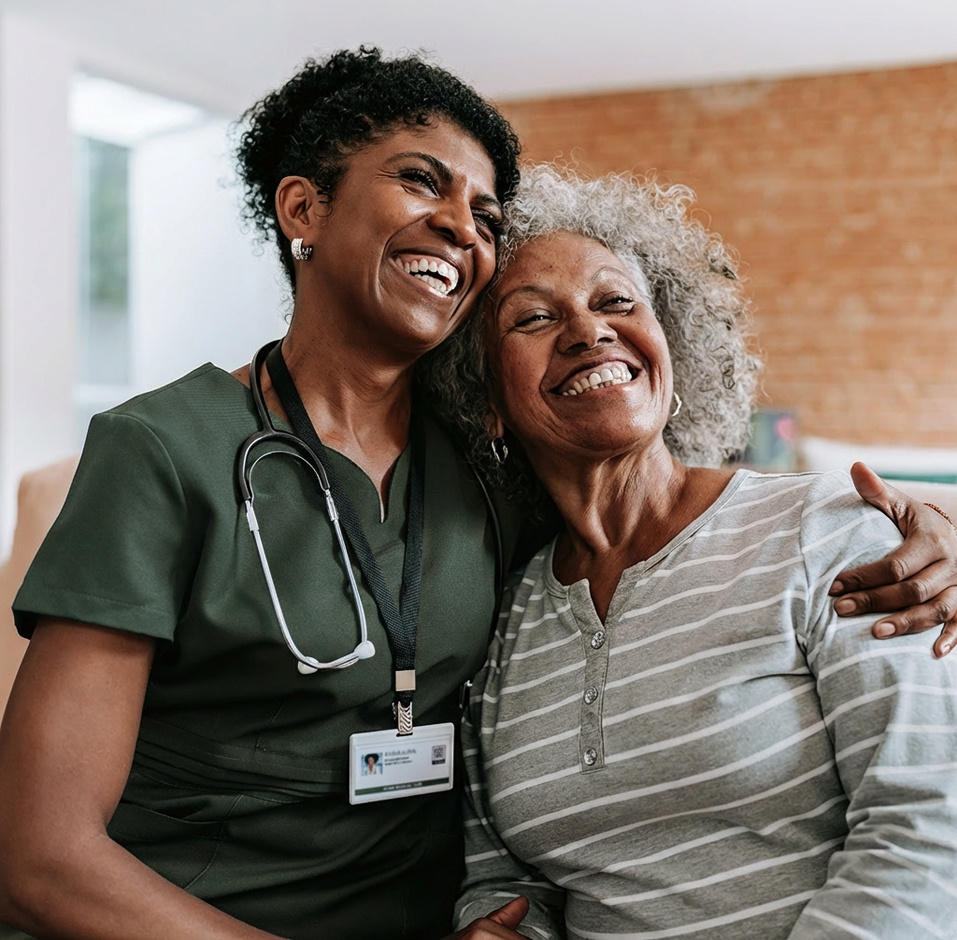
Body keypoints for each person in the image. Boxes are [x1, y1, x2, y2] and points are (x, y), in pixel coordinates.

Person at [0, 49, 953, 940]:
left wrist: (933, 530)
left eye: (487, 214)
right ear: (302, 207)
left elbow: (670, 538)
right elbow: (40, 854)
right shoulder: (166, 450)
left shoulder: (491, 476)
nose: (463, 225)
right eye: (420, 179)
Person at [434, 166, 957, 940]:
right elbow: (504, 874)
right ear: (485, 402)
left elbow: (929, 827)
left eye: (616, 301)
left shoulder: (824, 532)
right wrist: (498, 925)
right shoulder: (501, 617)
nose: (587, 330)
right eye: (535, 319)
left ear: (667, 346)